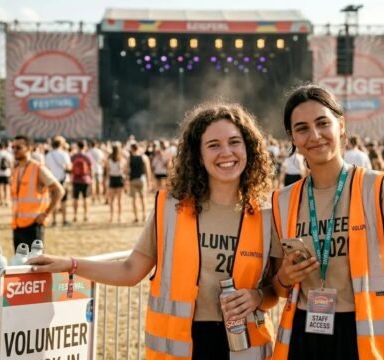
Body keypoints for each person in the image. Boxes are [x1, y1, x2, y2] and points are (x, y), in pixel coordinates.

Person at [29, 102, 281, 360]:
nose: (226, 152)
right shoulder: (171, 210)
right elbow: (129, 271)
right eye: (213, 145)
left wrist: (257, 296)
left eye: (235, 142)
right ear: (198, 154)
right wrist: (70, 264)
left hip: (245, 347)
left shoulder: (267, 216)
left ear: (248, 147)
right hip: (181, 347)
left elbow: (275, 289)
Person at [270, 84, 384, 360]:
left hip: (364, 335)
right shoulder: (283, 200)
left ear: (340, 124)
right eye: (302, 128)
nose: (314, 135)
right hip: (303, 334)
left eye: (322, 123)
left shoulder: (377, 187)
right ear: (292, 137)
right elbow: (276, 288)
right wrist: (284, 277)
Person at [10, 135, 64, 251]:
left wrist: (46, 213)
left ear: (29, 148)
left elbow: (59, 190)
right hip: (17, 225)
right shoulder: (17, 169)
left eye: (18, 147)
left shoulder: (38, 168)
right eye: (13, 147)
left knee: (36, 266)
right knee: (19, 266)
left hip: (33, 225)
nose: (15, 150)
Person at [45, 136, 72, 226]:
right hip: (63, 179)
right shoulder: (64, 154)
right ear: (61, 144)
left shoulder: (48, 155)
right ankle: (64, 220)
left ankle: (54, 220)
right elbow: (68, 167)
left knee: (54, 200)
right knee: (64, 201)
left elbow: (47, 168)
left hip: (52, 180)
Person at [128, 142, 153, 222]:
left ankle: (136, 217)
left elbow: (126, 169)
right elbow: (148, 170)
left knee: (134, 200)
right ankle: (144, 215)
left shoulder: (130, 158)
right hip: (142, 179)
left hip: (133, 179)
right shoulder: (144, 157)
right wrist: (149, 181)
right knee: (143, 198)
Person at [71, 141, 92, 222]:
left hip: (76, 179)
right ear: (85, 146)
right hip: (85, 179)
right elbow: (90, 168)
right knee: (86, 198)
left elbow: (71, 167)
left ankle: (75, 215)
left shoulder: (74, 156)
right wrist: (91, 178)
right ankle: (86, 215)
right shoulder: (87, 156)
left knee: (75, 199)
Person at [106, 143, 126, 223]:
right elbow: (123, 170)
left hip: (112, 179)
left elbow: (108, 171)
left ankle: (112, 217)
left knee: (112, 200)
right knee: (120, 200)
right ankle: (120, 217)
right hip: (119, 179)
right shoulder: (122, 159)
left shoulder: (109, 160)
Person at [0, 140, 13, 206]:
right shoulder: (8, 154)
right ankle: (7, 200)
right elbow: (10, 164)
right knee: (7, 187)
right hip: (7, 173)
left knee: (0, 187)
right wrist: (12, 171)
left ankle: (1, 200)